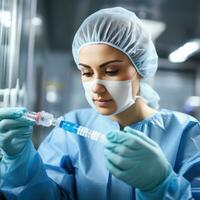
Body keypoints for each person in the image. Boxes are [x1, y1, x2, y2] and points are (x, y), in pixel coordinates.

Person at [0, 7, 200, 200]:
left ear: (140, 68)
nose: (95, 87)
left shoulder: (185, 133)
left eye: (111, 71)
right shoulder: (70, 129)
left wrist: (162, 185)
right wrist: (20, 163)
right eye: (86, 72)